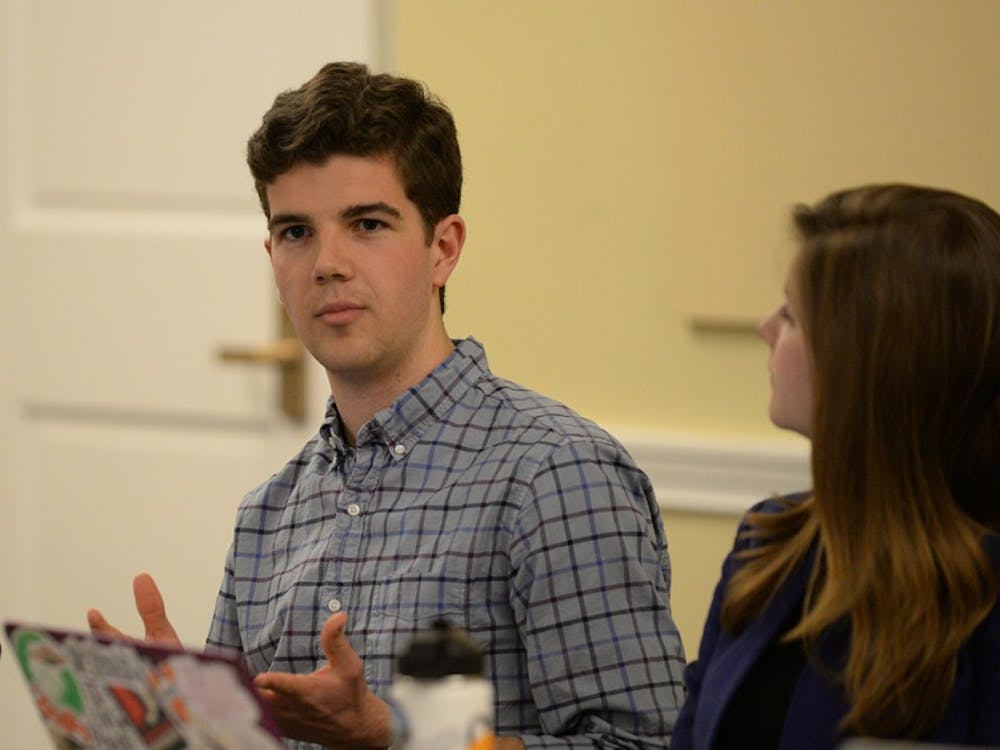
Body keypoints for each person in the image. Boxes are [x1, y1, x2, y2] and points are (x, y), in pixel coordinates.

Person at [87, 62, 685, 749]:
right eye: (295, 232)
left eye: (367, 224)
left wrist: (398, 738)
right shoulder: (268, 512)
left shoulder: (554, 476)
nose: (326, 263)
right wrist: (187, 731)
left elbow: (641, 746)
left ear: (443, 248)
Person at [672, 184, 1000, 749]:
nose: (765, 327)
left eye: (793, 315)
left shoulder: (985, 593)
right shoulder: (769, 542)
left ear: (872, 362)